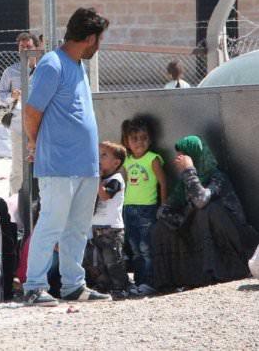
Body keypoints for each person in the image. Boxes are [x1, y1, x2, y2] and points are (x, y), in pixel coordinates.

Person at [23, 7, 111, 305]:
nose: (99, 46)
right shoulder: (52, 64)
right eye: (98, 40)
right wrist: (35, 144)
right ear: (90, 38)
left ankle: (73, 285)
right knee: (51, 224)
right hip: (58, 164)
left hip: (85, 165)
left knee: (77, 229)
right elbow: (32, 111)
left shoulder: (77, 65)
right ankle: (34, 286)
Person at [152, 135, 259, 291]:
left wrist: (189, 170)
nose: (178, 160)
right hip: (199, 232)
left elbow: (201, 200)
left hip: (232, 234)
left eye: (183, 156)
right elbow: (163, 211)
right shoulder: (184, 183)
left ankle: (220, 270)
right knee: (161, 227)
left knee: (207, 210)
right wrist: (184, 219)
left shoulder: (217, 177)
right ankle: (178, 279)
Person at [120, 117, 167, 295]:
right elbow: (124, 183)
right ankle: (139, 282)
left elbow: (163, 183)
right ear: (127, 142)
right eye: (135, 139)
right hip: (129, 208)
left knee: (146, 248)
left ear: (150, 139)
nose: (140, 142)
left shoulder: (152, 159)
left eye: (144, 138)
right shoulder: (126, 160)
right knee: (134, 248)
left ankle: (150, 282)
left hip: (147, 208)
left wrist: (163, 205)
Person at [0, 32, 39, 196]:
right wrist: (11, 96)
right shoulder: (11, 71)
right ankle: (14, 200)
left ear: (36, 48)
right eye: (22, 47)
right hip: (19, 124)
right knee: (19, 166)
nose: (25, 50)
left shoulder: (45, 70)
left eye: (28, 47)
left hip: (41, 123)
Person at [83, 141, 130, 296]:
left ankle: (120, 287)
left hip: (111, 229)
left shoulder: (116, 179)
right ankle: (104, 285)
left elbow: (104, 195)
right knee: (98, 261)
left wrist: (96, 178)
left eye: (104, 155)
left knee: (113, 260)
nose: (99, 158)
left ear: (116, 163)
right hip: (96, 227)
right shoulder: (102, 179)